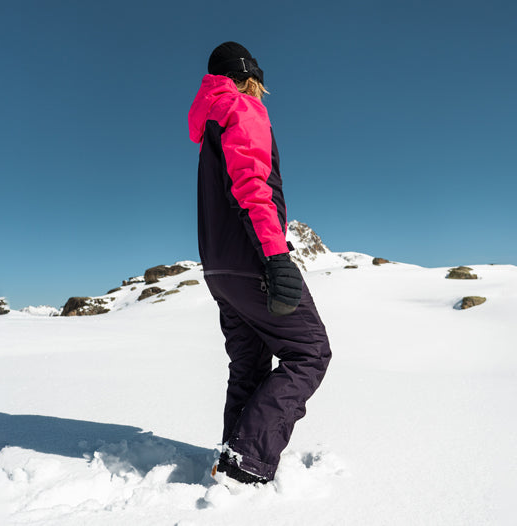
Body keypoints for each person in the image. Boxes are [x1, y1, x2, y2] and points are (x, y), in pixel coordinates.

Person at [188, 41, 333, 484]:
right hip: (252, 259)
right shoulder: (241, 107)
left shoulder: (210, 120)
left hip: (219, 268)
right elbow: (253, 185)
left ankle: (232, 458)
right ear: (248, 74)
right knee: (309, 351)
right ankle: (247, 462)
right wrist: (275, 256)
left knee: (249, 365)